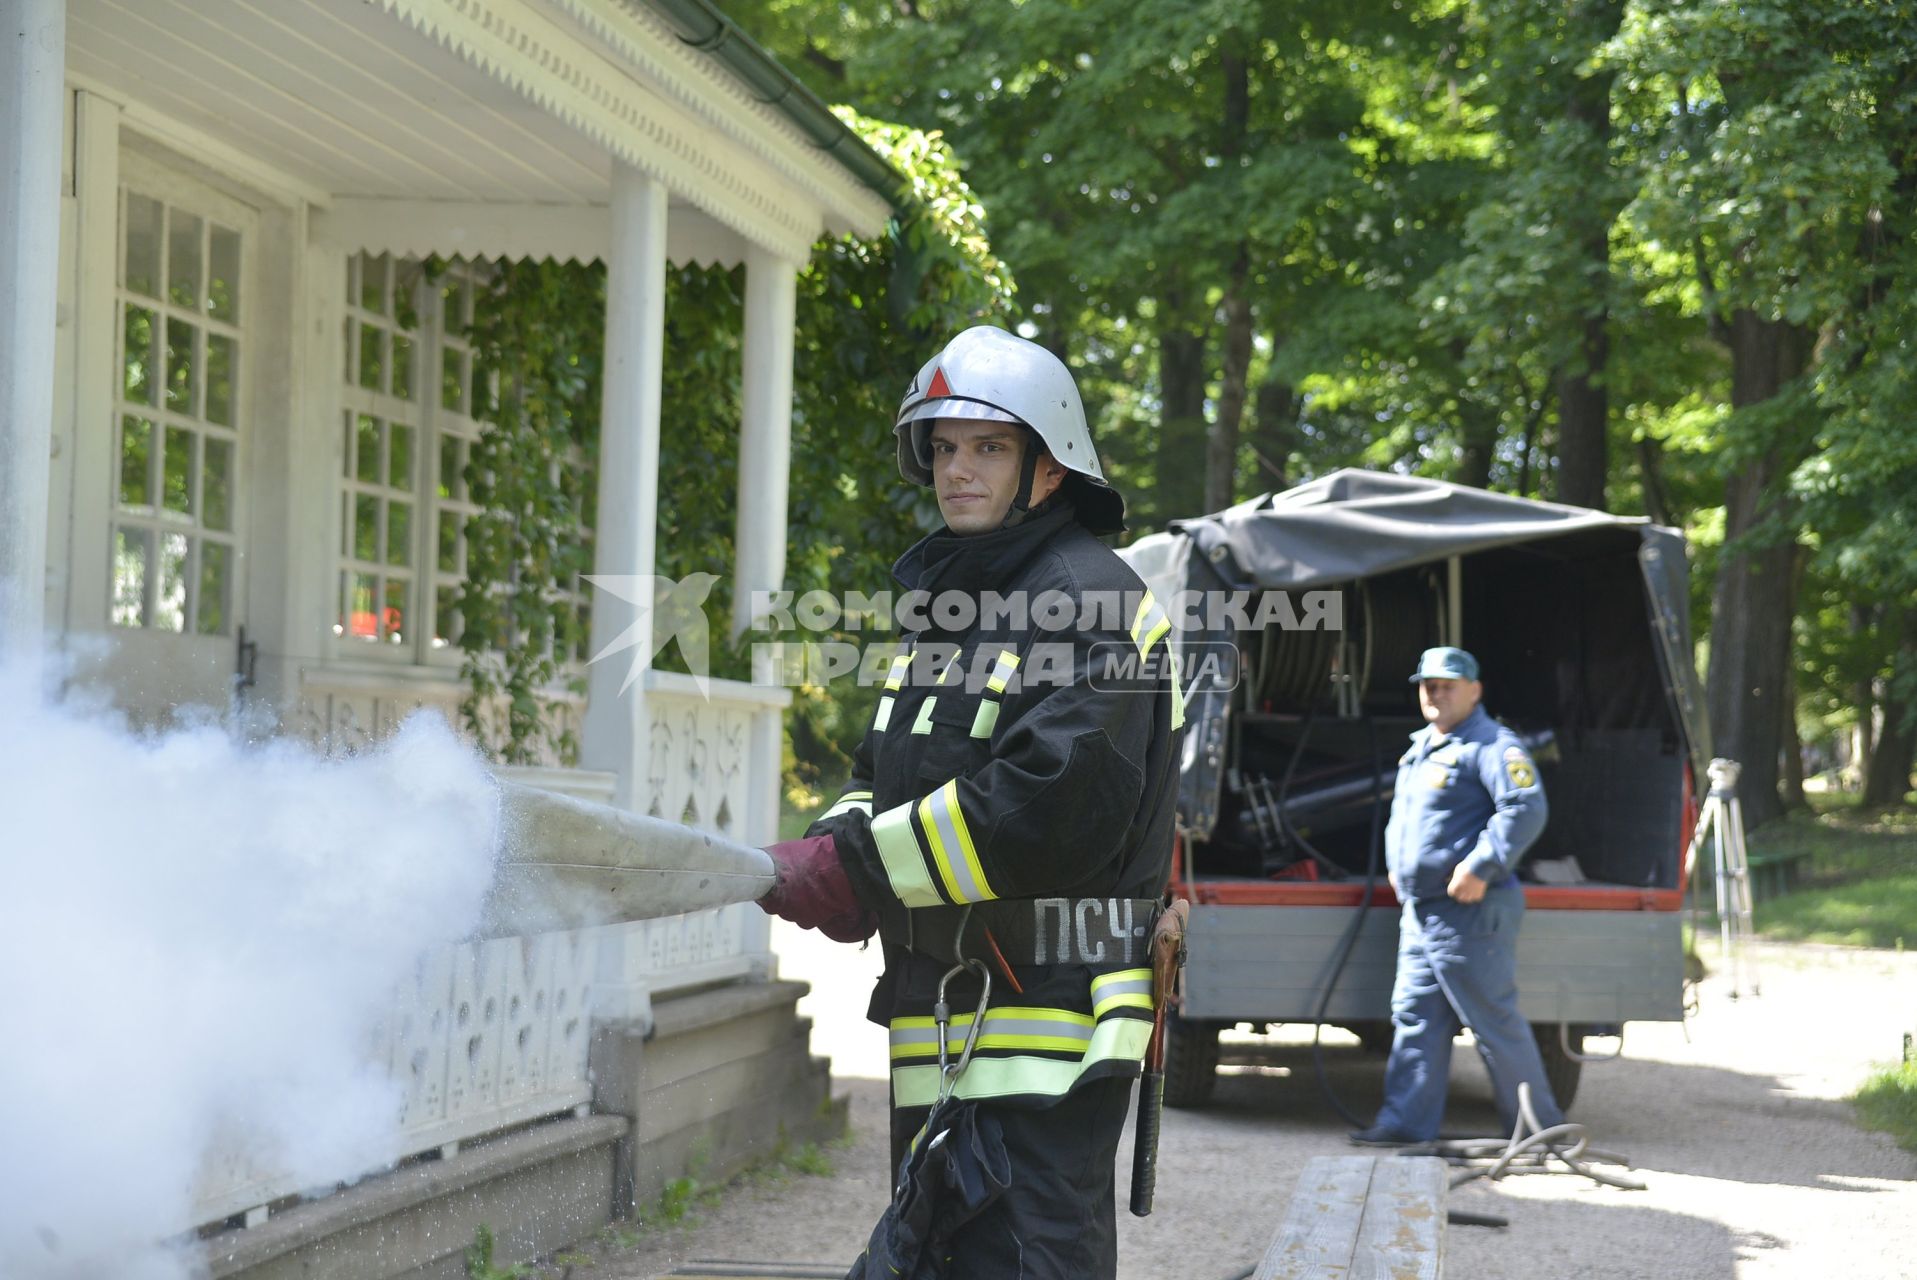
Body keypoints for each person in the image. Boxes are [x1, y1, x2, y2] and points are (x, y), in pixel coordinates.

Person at [757, 325, 1184, 1279]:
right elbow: (884, 771)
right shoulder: (951, 610)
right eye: (943, 448)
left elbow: (1046, 810)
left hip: (1049, 1027)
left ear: (1047, 469)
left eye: (987, 447)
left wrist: (859, 871)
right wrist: (836, 845)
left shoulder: (1098, 604)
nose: (957, 470)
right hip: (946, 1015)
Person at [1349, 645, 1564, 1146]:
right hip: (1423, 912)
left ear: (1475, 691)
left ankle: (1539, 1133)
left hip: (1471, 909)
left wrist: (1480, 866)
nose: (1436, 692)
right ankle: (1406, 1125)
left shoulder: (1492, 744)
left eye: (1447, 684)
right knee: (1415, 1017)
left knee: (1493, 1020)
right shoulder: (1424, 744)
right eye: (1428, 685)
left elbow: (1525, 807)